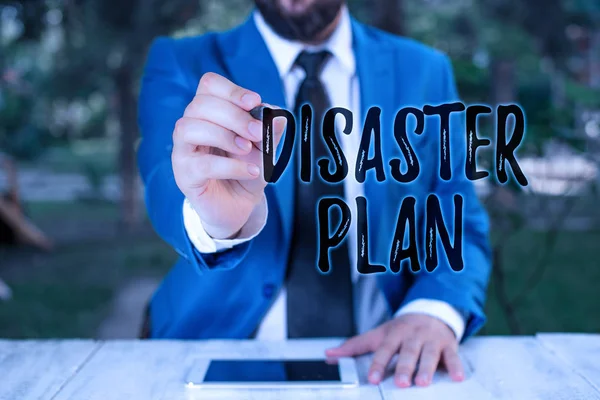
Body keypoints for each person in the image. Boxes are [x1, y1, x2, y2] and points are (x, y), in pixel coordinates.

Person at [137, 0, 491, 388]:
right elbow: (162, 178)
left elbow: (457, 214)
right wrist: (214, 221)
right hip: (215, 349)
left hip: (380, 363)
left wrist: (434, 309)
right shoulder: (180, 60)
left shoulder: (424, 70)